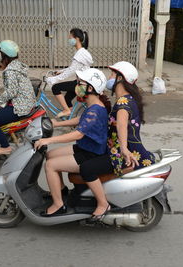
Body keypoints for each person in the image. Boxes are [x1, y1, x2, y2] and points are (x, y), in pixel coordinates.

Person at [78, 62, 156, 220]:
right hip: (121, 151)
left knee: (86, 168)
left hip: (121, 155)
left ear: (121, 78)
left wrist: (124, 150)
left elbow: (121, 126)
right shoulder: (128, 99)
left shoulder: (122, 104)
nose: (110, 78)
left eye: (113, 75)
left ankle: (102, 204)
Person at [34, 68, 110, 218]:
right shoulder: (93, 105)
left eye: (79, 83)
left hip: (90, 154)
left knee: (50, 166)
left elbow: (78, 133)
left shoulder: (95, 110)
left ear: (90, 88)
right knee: (50, 155)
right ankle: (61, 191)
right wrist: (56, 124)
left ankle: (58, 205)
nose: (76, 86)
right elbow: (81, 120)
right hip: (85, 147)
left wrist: (49, 139)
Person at [0, 40, 36, 156]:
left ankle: (5, 146)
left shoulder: (10, 71)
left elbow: (11, 92)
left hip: (19, 106)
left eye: (0, 53)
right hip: (27, 103)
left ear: (4, 55)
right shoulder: (18, 65)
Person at [46, 28, 93, 118]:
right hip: (83, 82)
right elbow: (73, 68)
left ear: (77, 39)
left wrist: (53, 79)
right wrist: (61, 71)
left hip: (82, 85)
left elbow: (71, 71)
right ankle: (70, 116)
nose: (69, 40)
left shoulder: (80, 54)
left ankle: (67, 110)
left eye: (70, 37)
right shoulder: (81, 52)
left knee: (55, 88)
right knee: (67, 98)